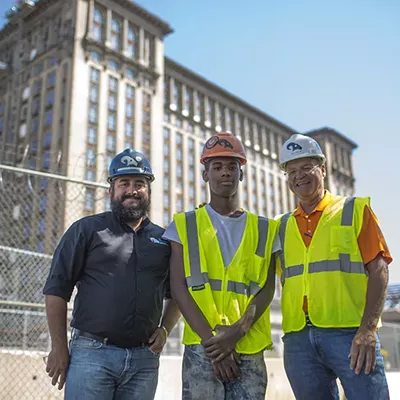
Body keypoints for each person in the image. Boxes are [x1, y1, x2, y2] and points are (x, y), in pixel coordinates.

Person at [43, 149, 181, 400]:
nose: (132, 190)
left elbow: (178, 293)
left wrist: (165, 330)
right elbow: (56, 290)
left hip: (144, 361)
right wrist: (59, 347)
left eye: (140, 183)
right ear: (111, 191)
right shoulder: (86, 230)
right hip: (92, 355)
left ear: (148, 191)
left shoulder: (164, 239)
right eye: (124, 183)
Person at [163, 132, 280, 400]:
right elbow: (179, 288)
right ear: (205, 174)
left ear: (241, 173)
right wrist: (215, 344)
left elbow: (266, 288)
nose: (225, 172)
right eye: (217, 167)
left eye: (232, 166)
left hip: (248, 346)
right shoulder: (183, 224)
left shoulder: (266, 229)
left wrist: (237, 332)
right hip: (202, 346)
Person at [277, 134, 392, 400]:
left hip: (351, 334)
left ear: (323, 169)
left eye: (306, 168)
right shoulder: (281, 226)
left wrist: (367, 330)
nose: (299, 176)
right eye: (291, 171)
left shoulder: (353, 210)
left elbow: (379, 270)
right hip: (299, 340)